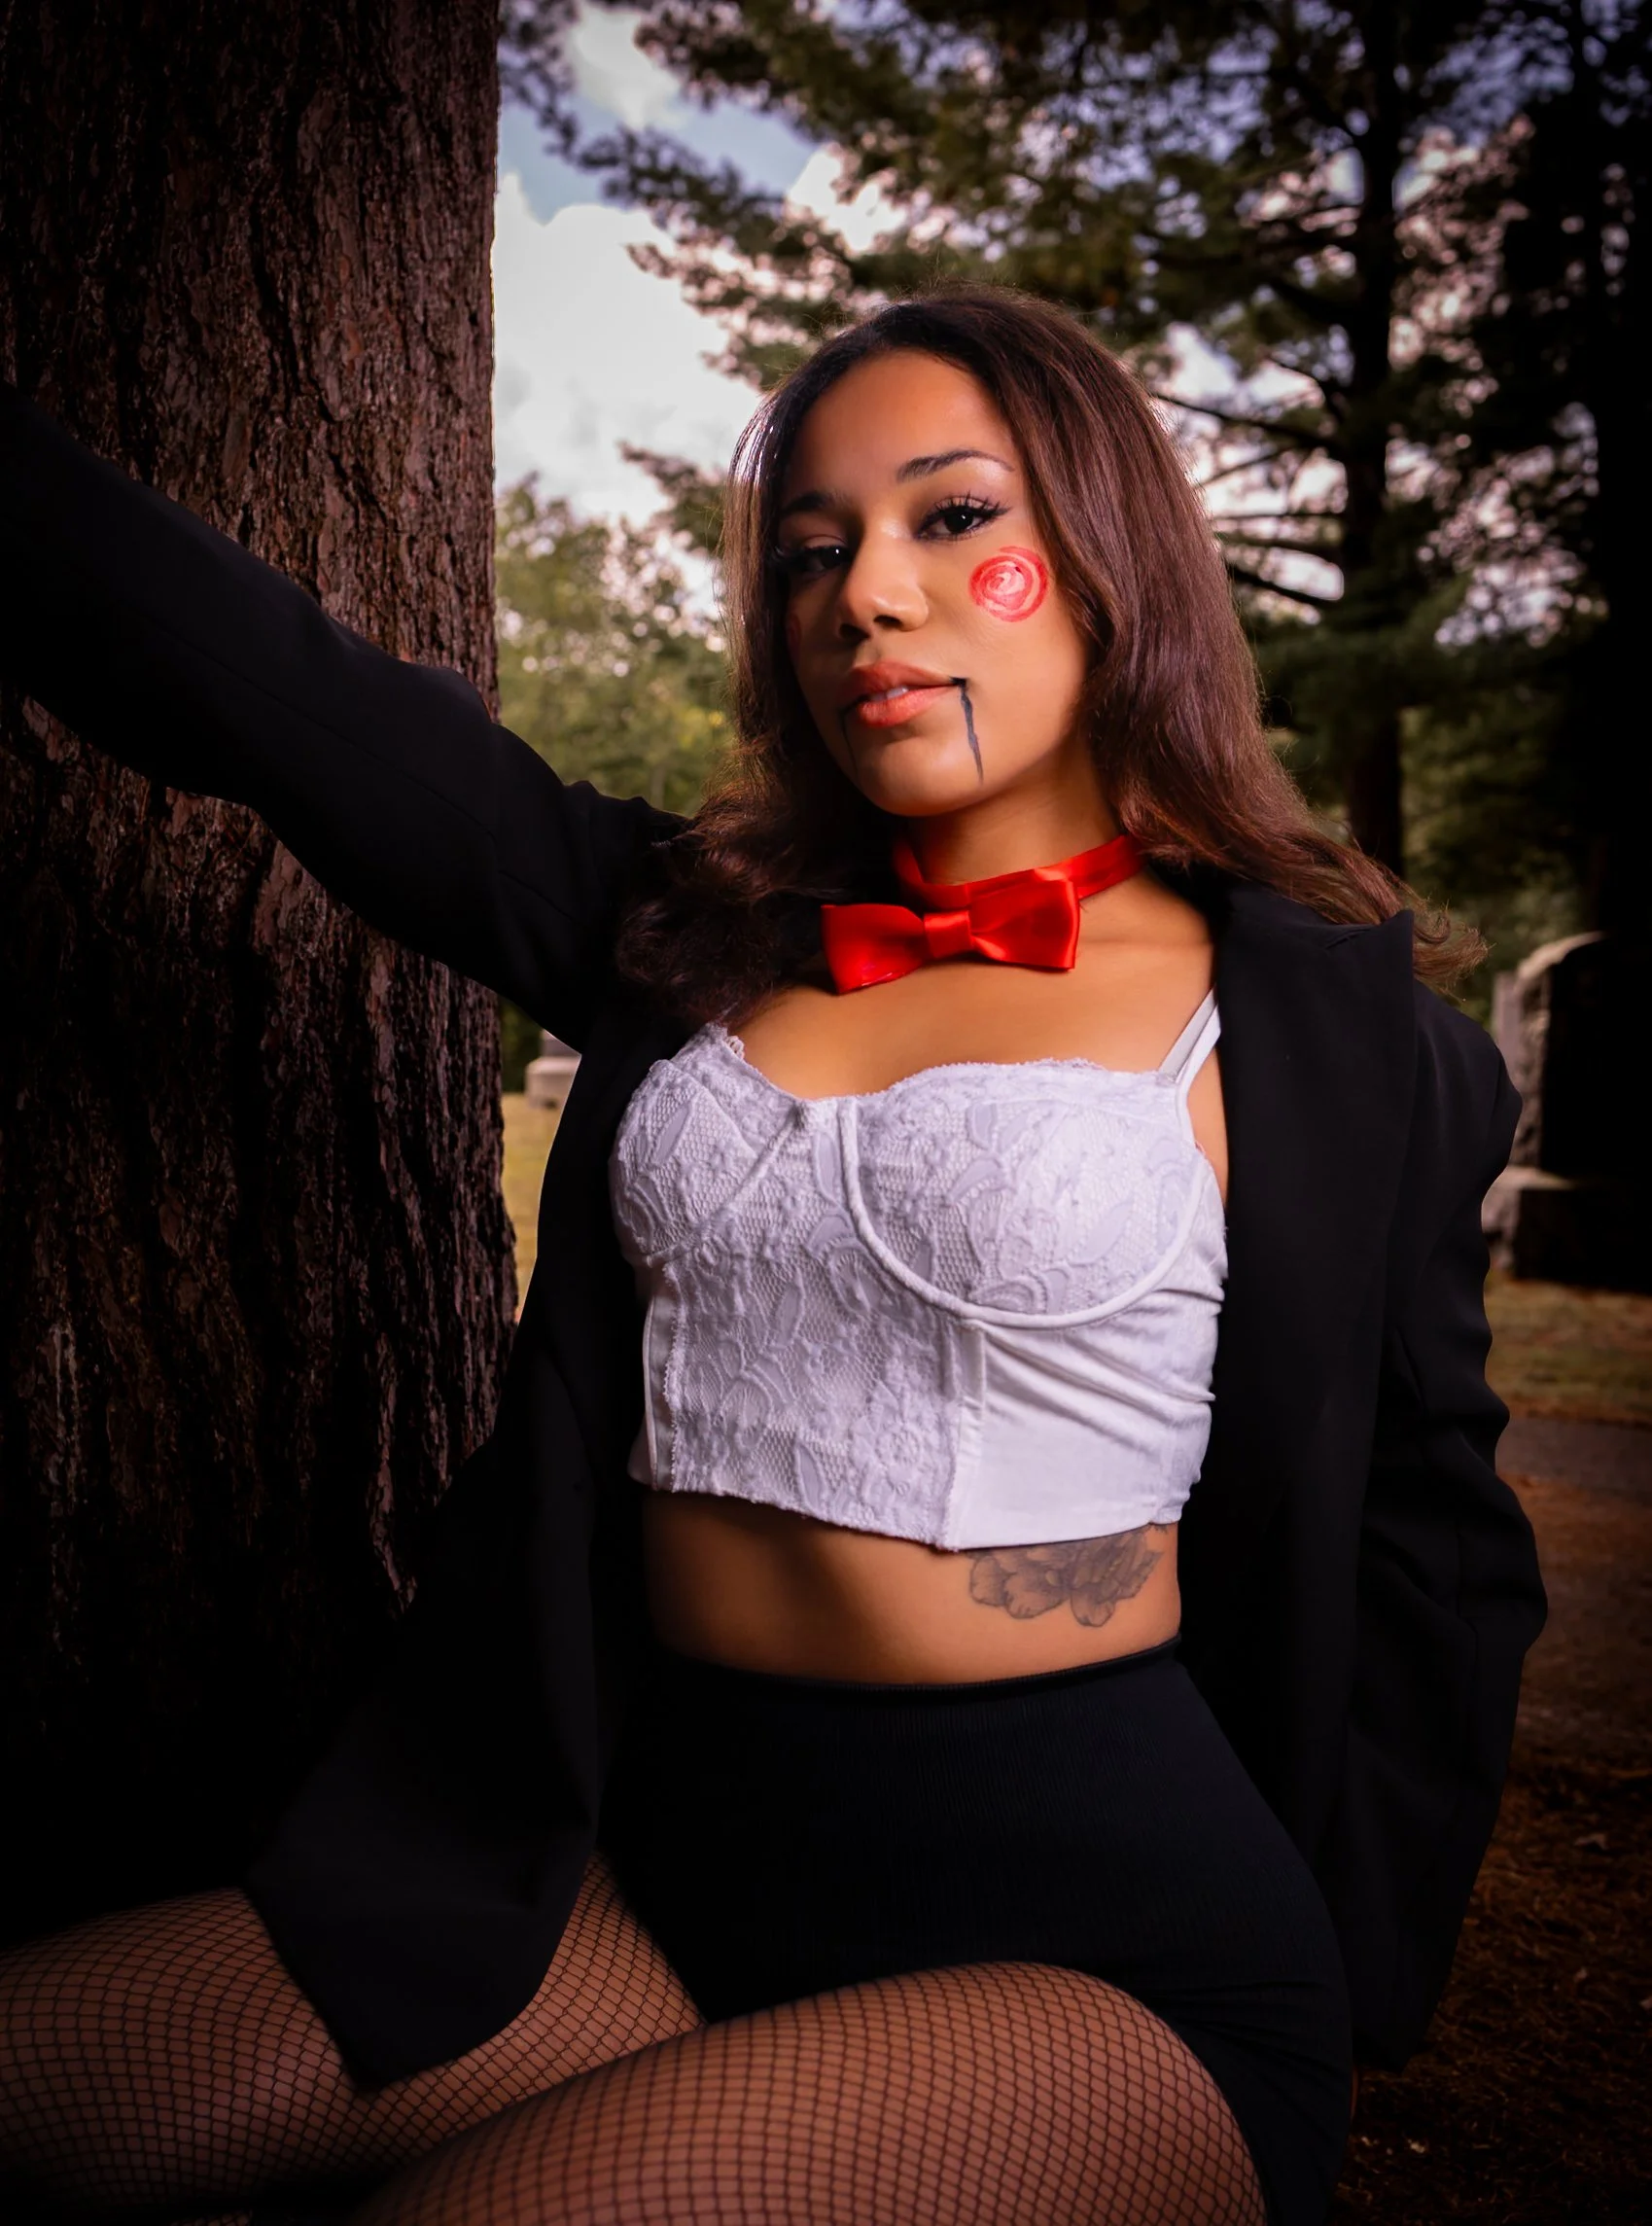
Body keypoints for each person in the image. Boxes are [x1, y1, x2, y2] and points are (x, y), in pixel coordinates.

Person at [0, 287, 1545, 2226]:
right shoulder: (683, 933)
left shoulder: (1340, 1038)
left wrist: (1363, 1953)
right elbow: (295, 709)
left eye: (951, 517)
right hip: (649, 1878)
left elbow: (1438, 1545)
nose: (866, 595)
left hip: (1102, 1953)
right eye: (812, 551)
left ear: (1104, 554)